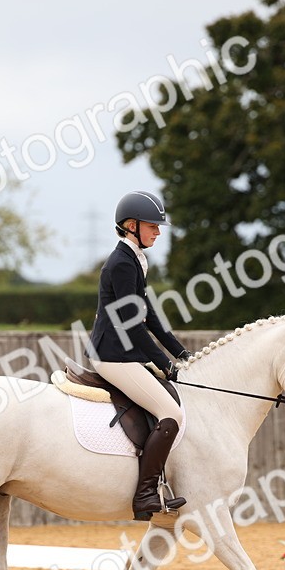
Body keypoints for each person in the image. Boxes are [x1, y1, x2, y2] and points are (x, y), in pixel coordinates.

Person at [89, 190, 193, 520]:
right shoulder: (121, 263)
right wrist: (164, 364)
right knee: (171, 414)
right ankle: (145, 494)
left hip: (124, 353)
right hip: (112, 356)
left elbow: (148, 316)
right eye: (153, 226)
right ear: (131, 225)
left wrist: (180, 353)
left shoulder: (135, 259)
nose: (158, 232)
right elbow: (132, 325)